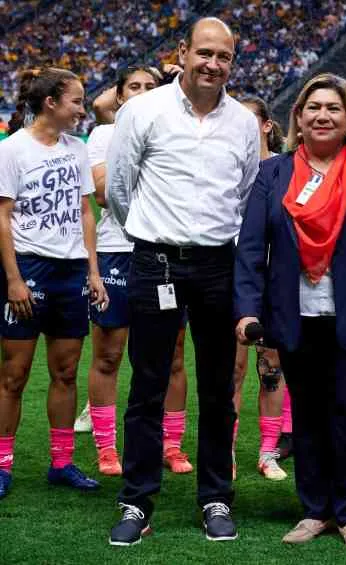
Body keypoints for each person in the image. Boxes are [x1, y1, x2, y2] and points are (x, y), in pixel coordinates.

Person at [104, 18, 260, 545]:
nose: (213, 64)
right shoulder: (142, 111)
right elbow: (121, 189)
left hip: (219, 265)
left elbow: (243, 193)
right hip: (155, 262)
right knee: (147, 387)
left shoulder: (242, 121)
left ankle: (215, 496)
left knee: (219, 389)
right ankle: (135, 501)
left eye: (225, 56)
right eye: (205, 53)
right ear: (181, 52)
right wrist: (158, 237)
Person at [235, 72, 346, 549]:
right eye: (313, 108)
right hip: (293, 318)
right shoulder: (274, 173)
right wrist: (247, 310)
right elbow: (251, 248)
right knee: (305, 417)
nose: (322, 115)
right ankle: (314, 510)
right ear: (299, 118)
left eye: (333, 108)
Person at [78, 66, 196, 478]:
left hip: (166, 252)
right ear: (121, 95)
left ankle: (171, 444)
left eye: (151, 87)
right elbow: (104, 194)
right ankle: (106, 447)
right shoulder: (104, 136)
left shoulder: (178, 130)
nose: (144, 93)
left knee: (174, 356)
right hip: (116, 252)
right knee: (108, 354)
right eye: (134, 87)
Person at [0, 67, 109, 500]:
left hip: (71, 273)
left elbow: (86, 212)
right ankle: (3, 465)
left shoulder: (76, 150)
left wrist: (93, 271)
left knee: (65, 372)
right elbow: (2, 218)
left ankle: (61, 463)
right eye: (77, 101)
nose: (83, 109)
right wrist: (12, 279)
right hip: (29, 268)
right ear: (51, 103)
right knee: (14, 375)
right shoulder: (12, 151)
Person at [231, 95, 291, 482]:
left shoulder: (285, 169)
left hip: (275, 278)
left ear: (268, 125)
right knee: (233, 370)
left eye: (249, 121)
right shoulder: (227, 168)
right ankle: (227, 453)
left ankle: (268, 453)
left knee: (272, 369)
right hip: (234, 275)